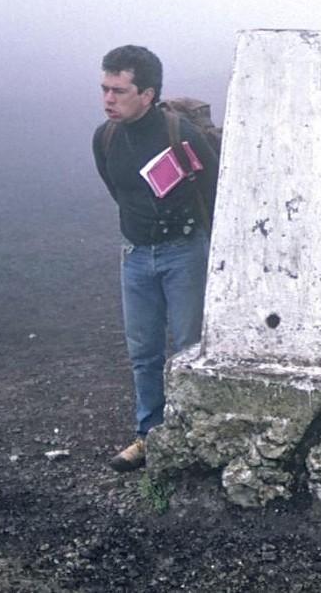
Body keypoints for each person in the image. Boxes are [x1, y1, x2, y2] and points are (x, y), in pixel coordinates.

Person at [92, 45, 218, 472]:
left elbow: (213, 191)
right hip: (134, 256)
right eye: (105, 89)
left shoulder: (182, 134)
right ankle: (148, 435)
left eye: (119, 91)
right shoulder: (105, 138)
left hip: (184, 253)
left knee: (189, 350)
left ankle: (192, 436)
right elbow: (119, 190)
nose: (108, 99)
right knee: (143, 352)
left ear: (147, 94)